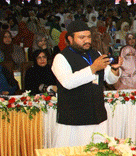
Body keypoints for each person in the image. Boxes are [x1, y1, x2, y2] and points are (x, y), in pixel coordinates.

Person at [50, 20, 123, 148]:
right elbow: (68, 82)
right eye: (81, 37)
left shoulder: (96, 54)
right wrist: (92, 68)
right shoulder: (61, 58)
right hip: (73, 118)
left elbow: (110, 79)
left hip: (97, 115)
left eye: (88, 37)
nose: (87, 40)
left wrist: (115, 69)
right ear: (70, 39)